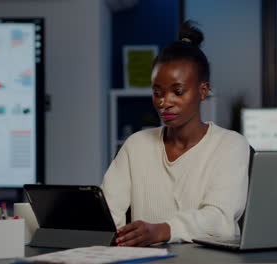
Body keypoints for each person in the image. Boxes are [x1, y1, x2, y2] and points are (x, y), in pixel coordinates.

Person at [101, 20, 250, 247]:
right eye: (157, 92)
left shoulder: (231, 145)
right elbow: (108, 213)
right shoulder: (136, 145)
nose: (164, 102)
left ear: (202, 91)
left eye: (177, 92)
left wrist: (165, 230)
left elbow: (221, 219)